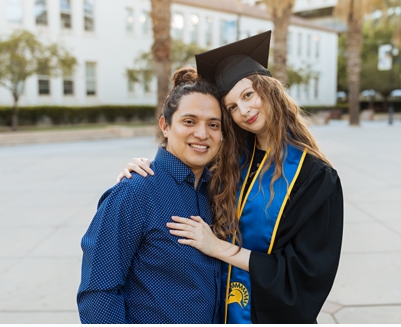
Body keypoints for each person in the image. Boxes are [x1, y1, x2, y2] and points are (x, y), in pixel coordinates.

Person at [118, 31, 344, 323]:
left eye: (248, 95)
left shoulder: (315, 178)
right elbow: (184, 169)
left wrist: (219, 248)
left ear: (269, 89)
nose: (244, 111)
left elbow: (305, 276)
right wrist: (143, 170)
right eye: (232, 107)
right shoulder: (229, 164)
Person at [78, 68, 227, 324]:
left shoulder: (218, 191)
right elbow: (98, 293)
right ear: (165, 125)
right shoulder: (134, 192)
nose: (202, 134)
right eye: (189, 121)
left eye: (213, 124)